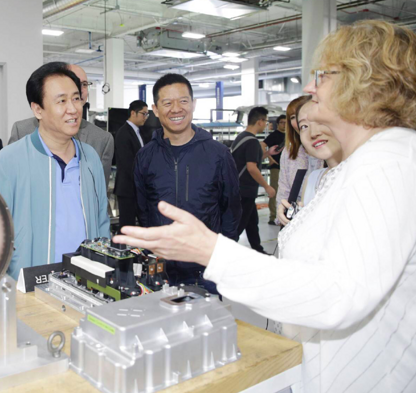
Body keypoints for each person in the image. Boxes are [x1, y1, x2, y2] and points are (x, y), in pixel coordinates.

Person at [114, 20, 416, 392]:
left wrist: (213, 251)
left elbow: (339, 296)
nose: (310, 88)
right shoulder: (356, 166)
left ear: (365, 82)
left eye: (323, 76)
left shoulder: (388, 163)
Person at [0, 62, 110, 280]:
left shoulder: (90, 158)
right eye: (61, 101)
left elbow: (102, 223)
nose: (73, 108)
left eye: (76, 98)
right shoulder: (8, 161)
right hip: (29, 288)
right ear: (38, 109)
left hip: (85, 284)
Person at [134, 74, 241, 293]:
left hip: (205, 269)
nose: (176, 109)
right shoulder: (145, 157)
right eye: (167, 103)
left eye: (183, 101)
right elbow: (143, 210)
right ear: (155, 109)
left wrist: (220, 258)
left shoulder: (218, 154)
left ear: (193, 104)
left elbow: (231, 211)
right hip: (161, 269)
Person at [8, 63, 114, 189]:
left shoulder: (101, 140)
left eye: (84, 84)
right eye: (62, 100)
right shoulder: (21, 132)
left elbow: (99, 193)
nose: (79, 89)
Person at [278, 101, 342, 225]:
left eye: (321, 122)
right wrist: (293, 215)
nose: (313, 133)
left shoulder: (363, 173)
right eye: (304, 126)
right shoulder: (312, 178)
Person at [231, 106, 277, 254]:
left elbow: (248, 161)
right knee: (239, 225)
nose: (266, 125)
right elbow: (251, 168)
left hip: (241, 189)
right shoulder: (252, 142)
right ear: (260, 121)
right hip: (246, 190)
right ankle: (225, 252)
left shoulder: (241, 137)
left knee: (251, 222)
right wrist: (267, 186)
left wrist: (267, 154)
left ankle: (258, 250)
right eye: (266, 121)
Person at [276, 96, 322, 225]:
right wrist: (281, 214)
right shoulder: (289, 151)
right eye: (292, 117)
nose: (298, 120)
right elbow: (284, 188)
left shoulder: (328, 148)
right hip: (295, 220)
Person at [114, 100, 148, 228]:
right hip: (128, 188)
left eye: (147, 114)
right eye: (143, 113)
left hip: (137, 188)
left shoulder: (139, 132)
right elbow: (127, 164)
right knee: (127, 225)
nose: (145, 117)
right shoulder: (123, 133)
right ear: (133, 113)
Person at [263, 114, 286, 225]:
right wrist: (270, 158)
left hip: (287, 168)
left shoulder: (291, 135)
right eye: (282, 122)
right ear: (278, 124)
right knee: (274, 191)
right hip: (276, 168)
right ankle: (273, 216)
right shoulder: (274, 135)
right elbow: (262, 145)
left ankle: (283, 215)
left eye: (286, 123)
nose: (284, 125)